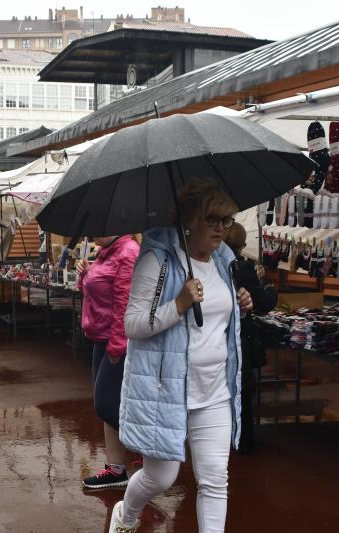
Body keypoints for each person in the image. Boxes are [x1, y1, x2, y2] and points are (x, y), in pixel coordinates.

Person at [109, 182, 254, 533]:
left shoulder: (223, 261)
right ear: (189, 220)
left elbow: (216, 321)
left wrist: (240, 306)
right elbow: (132, 324)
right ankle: (125, 513)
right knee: (161, 477)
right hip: (166, 391)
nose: (222, 227)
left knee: (215, 480)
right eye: (213, 218)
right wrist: (179, 305)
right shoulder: (156, 261)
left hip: (214, 391)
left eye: (227, 219)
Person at [77, 235, 140, 490]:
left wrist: (117, 346)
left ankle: (151, 453)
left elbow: (125, 305)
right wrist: (85, 274)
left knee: (105, 404)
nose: (91, 233)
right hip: (100, 339)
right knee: (111, 404)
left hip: (116, 342)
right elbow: (88, 292)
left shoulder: (127, 252)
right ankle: (116, 469)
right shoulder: (106, 252)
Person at [224, 222, 277, 454]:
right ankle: (244, 439)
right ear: (242, 244)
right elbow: (262, 303)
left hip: (229, 338)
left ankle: (233, 437)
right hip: (241, 339)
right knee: (243, 390)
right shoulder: (242, 267)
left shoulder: (226, 265)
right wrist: (270, 289)